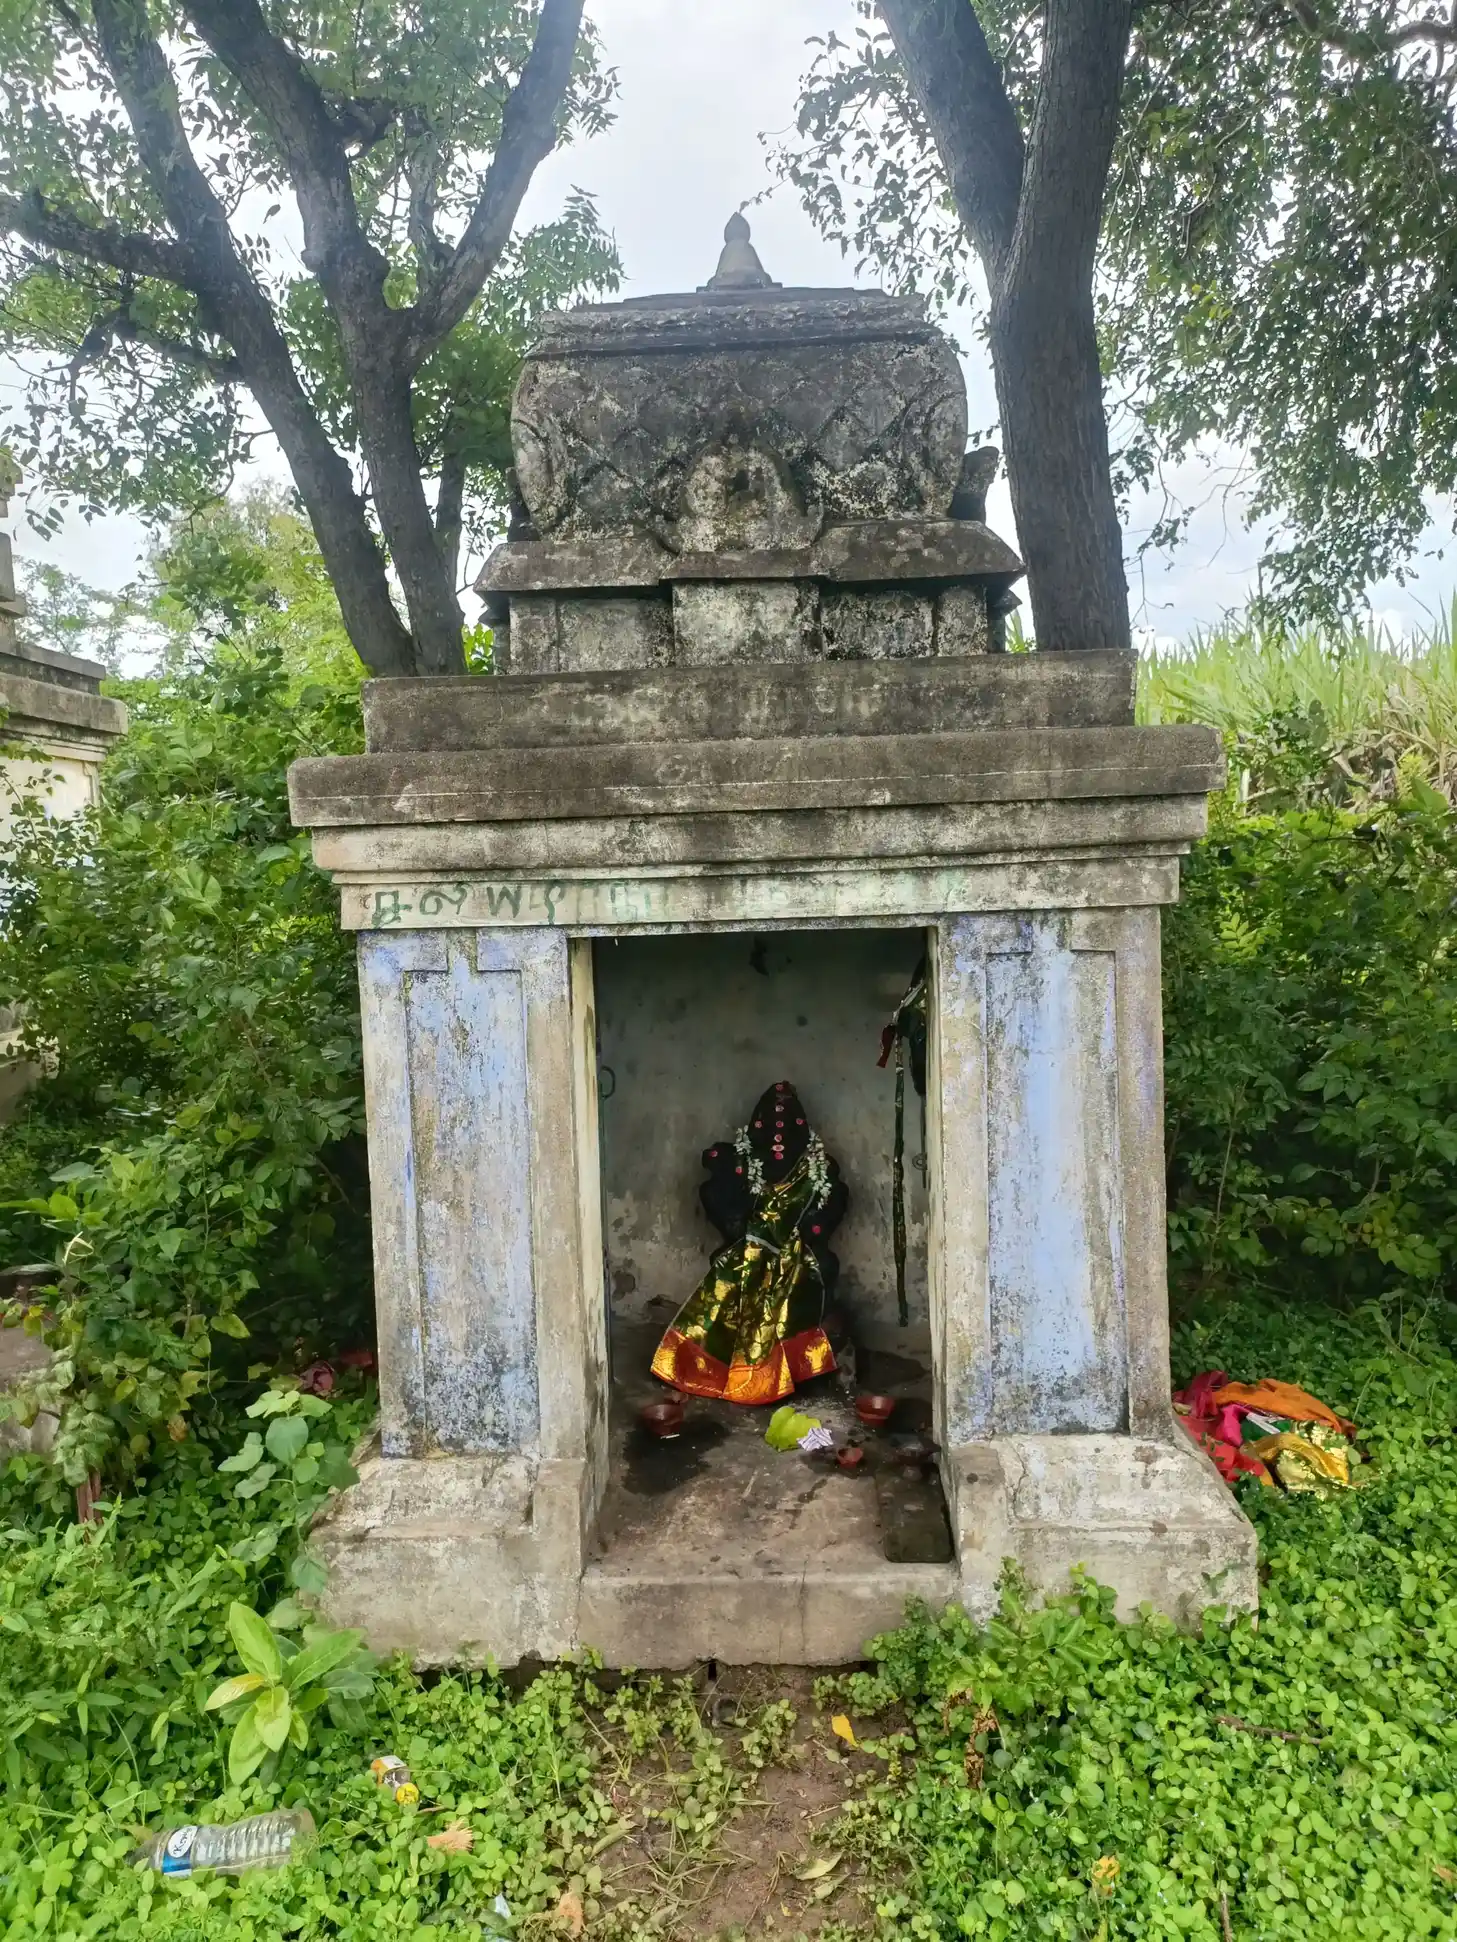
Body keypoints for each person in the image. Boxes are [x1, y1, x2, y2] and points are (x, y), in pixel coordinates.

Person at [651, 1080, 848, 1405]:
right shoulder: (741, 1159)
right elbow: (720, 1196)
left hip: (798, 1252)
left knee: (809, 1273)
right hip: (747, 1247)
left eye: (789, 1122)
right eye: (770, 1121)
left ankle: (791, 1370)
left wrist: (809, 1232)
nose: (778, 1132)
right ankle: (708, 1366)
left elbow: (833, 1203)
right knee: (730, 1272)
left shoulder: (817, 1166)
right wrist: (743, 1229)